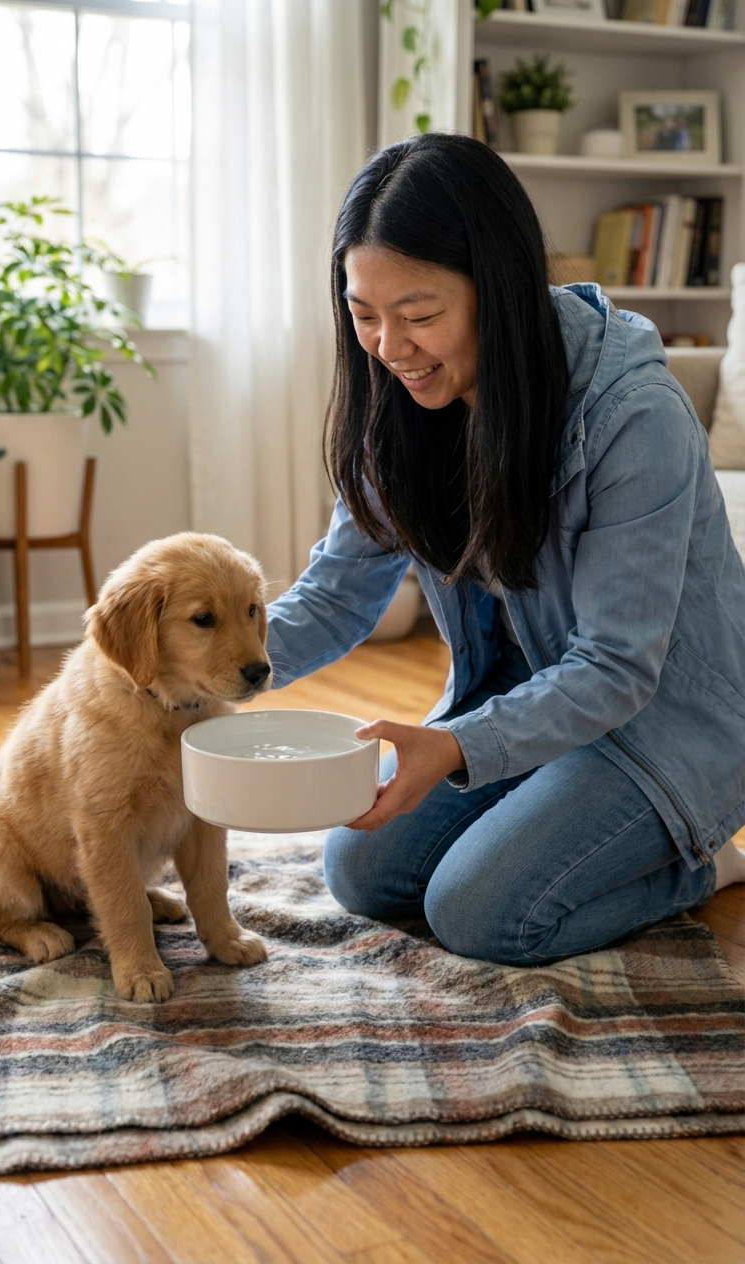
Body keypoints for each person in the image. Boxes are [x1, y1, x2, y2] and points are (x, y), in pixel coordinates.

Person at [264, 133, 745, 966]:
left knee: (479, 913)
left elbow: (617, 667)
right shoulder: (402, 405)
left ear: (502, 289)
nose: (388, 348)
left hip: (662, 723)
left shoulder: (633, 415)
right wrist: (185, 668)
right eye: (362, 313)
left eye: (419, 316)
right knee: (360, 870)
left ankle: (702, 864)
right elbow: (336, 596)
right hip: (529, 705)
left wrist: (454, 748)